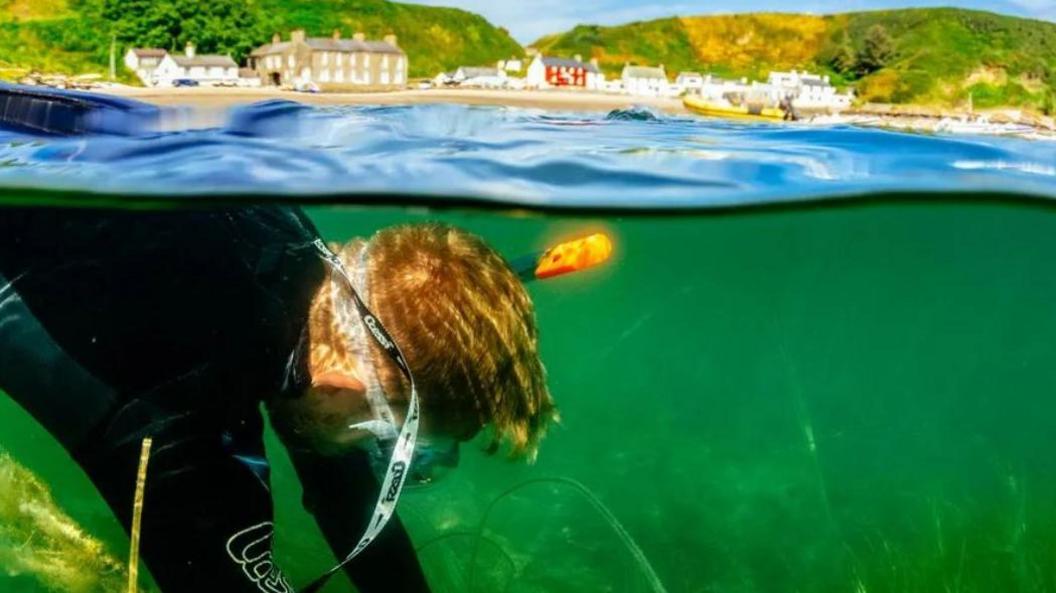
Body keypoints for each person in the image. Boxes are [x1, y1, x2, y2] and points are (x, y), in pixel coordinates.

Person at [0, 205, 556, 593]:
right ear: (344, 387)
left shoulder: (323, 279)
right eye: (389, 441)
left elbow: (343, 487)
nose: (374, 458)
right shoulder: (175, 393)